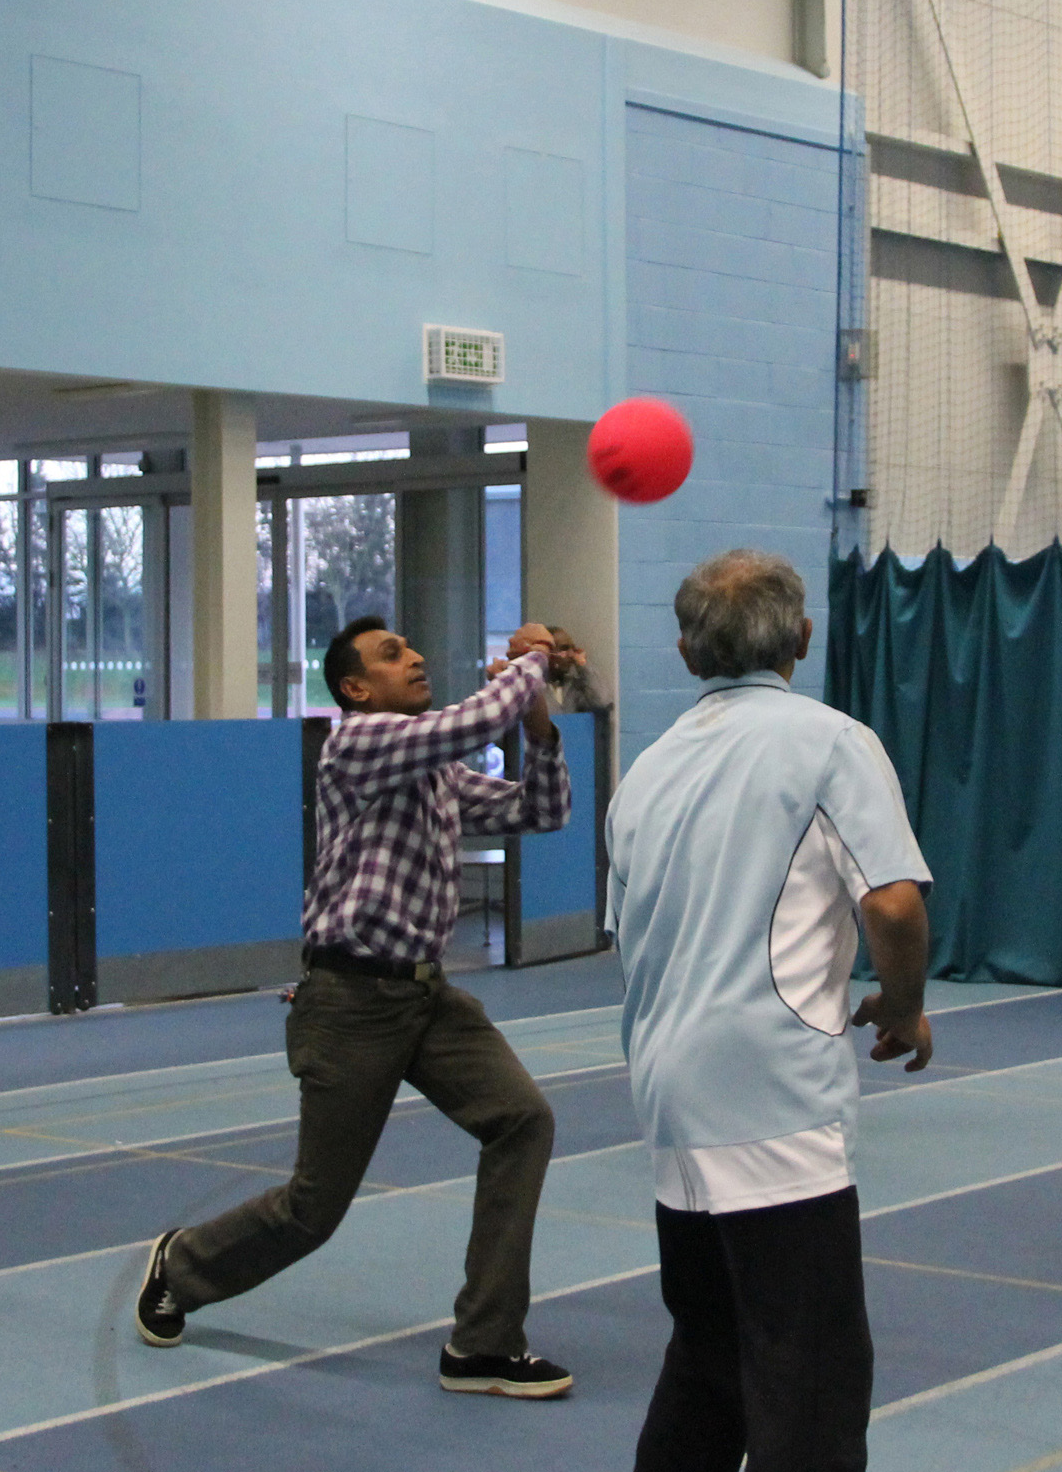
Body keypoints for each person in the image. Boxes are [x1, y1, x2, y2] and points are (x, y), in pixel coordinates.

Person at [134, 616, 575, 1398]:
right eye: (391, 655)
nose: (413, 659)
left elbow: (537, 813)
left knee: (523, 1119)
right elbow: (473, 721)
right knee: (314, 1209)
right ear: (354, 689)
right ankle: (183, 1265)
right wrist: (530, 664)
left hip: (426, 996)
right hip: (350, 1001)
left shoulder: (433, 771)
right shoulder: (358, 745)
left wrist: (540, 730)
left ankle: (483, 1343)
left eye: (411, 646)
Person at [606, 549, 934, 1472]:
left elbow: (626, 937)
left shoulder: (646, 773)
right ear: (803, 637)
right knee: (812, 1375)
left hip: (668, 1097)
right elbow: (895, 903)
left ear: (682, 651)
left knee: (708, 1357)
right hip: (772, 1100)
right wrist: (904, 1007)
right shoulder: (831, 741)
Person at [544, 626, 608, 714]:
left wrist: (583, 665)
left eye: (573, 649)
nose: (571, 654)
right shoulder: (534, 687)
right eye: (564, 649)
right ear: (547, 652)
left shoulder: (575, 686)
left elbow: (603, 702)